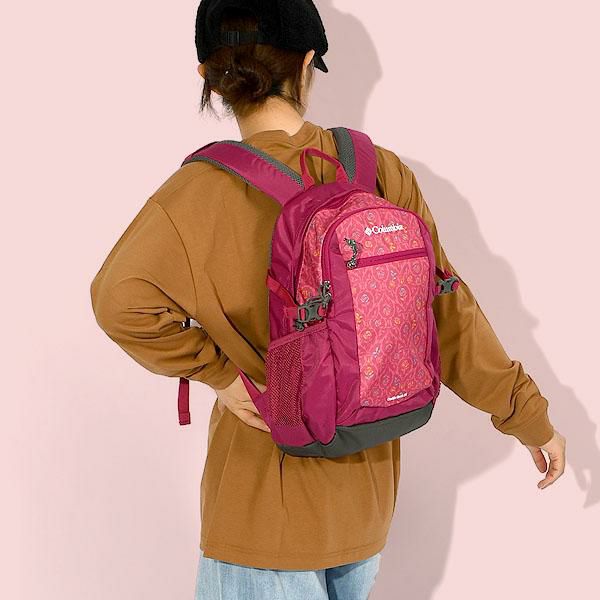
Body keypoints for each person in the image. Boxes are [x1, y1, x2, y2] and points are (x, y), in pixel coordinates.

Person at [89, 1, 567, 598]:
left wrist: (220, 374)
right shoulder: (379, 172)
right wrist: (527, 417)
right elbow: (448, 311)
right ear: (307, 62)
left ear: (208, 75)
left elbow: (116, 300)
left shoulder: (195, 194)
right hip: (365, 504)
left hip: (263, 516)